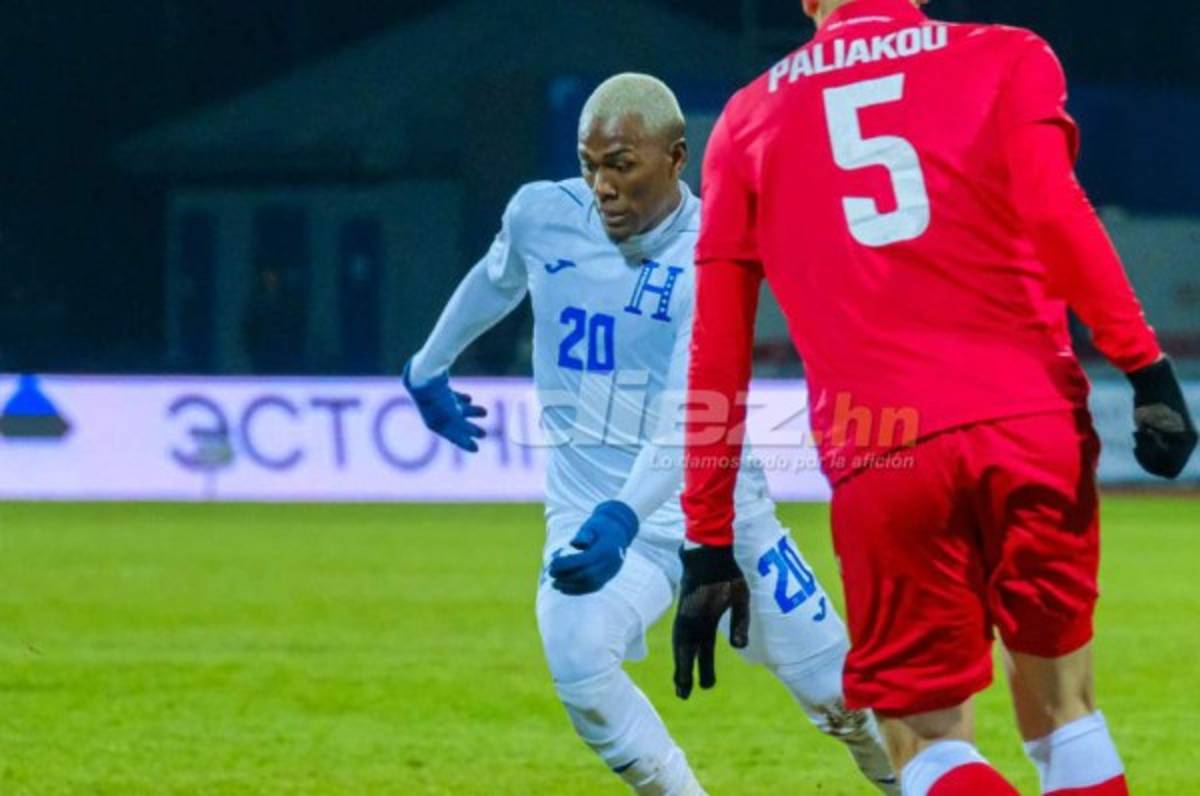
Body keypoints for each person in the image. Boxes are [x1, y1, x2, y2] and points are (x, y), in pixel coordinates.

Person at [673, 1, 1198, 795]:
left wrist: (707, 536)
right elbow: (1057, 212)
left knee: (926, 741)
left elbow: (718, 349)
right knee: (1067, 714)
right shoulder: (1009, 55)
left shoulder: (747, 121)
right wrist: (1145, 368)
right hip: (1034, 428)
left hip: (886, 452)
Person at [403, 73, 897, 795]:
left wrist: (624, 513)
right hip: (594, 513)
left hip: (718, 515)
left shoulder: (714, 253)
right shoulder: (542, 214)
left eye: (621, 165)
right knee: (575, 654)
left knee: (845, 700)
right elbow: (498, 276)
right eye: (589, 165)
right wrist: (428, 366)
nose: (602, 187)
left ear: (676, 157)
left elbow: (689, 415)